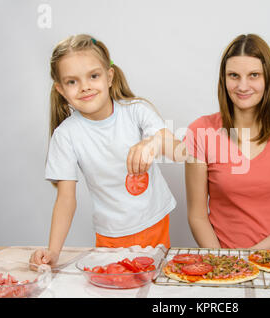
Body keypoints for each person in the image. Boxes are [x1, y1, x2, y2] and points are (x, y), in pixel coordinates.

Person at [30, 34, 184, 267]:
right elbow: (66, 199)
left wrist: (153, 142)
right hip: (110, 234)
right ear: (61, 89)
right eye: (72, 82)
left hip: (154, 224)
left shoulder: (136, 111)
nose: (85, 87)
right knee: (112, 288)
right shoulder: (65, 135)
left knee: (151, 283)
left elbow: (179, 152)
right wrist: (53, 251)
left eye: (93, 76)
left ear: (109, 77)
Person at [185, 34, 270, 249]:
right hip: (222, 264)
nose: (243, 86)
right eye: (234, 75)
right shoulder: (200, 130)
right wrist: (223, 263)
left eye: (254, 75)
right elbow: (197, 216)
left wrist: (251, 257)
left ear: (269, 78)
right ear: (223, 79)